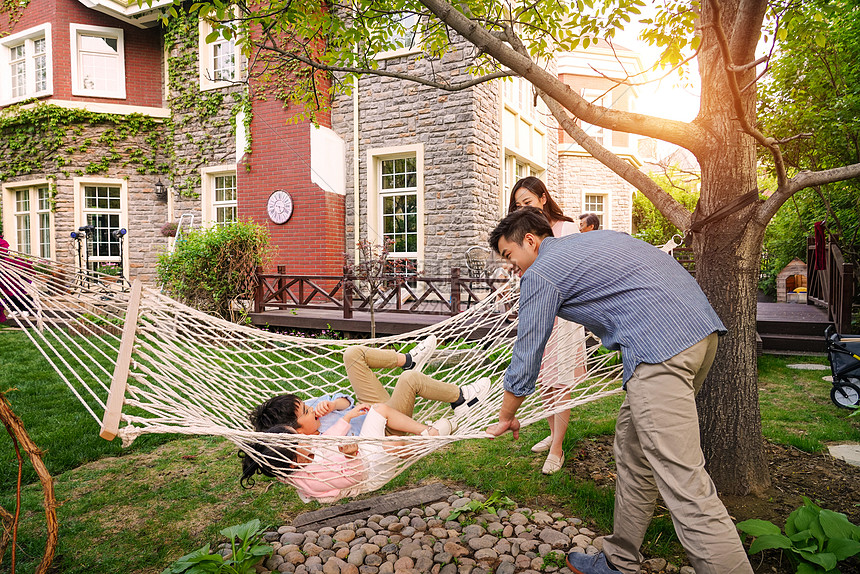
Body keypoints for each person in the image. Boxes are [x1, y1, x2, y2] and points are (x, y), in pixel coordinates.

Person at [485, 208, 752, 574]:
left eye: (509, 256)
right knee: (632, 449)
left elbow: (528, 350)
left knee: (685, 484)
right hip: (700, 334)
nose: (511, 267)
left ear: (530, 241)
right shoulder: (596, 239)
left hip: (660, 352)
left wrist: (506, 414)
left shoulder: (542, 272)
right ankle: (619, 560)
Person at [508, 177, 584, 475]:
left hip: (563, 316)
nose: (523, 208)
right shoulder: (524, 235)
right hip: (538, 313)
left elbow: (573, 271)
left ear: (543, 198)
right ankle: (553, 432)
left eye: (527, 202)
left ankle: (558, 449)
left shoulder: (567, 229)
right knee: (542, 379)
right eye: (518, 205)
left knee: (559, 381)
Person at [240, 400, 454, 501]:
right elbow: (352, 478)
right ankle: (428, 443)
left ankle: (428, 432)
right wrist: (351, 456)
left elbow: (329, 439)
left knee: (379, 409)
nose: (304, 439)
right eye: (299, 439)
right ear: (294, 462)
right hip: (368, 471)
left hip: (362, 452)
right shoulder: (313, 478)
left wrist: (346, 418)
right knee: (393, 445)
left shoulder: (301, 454)